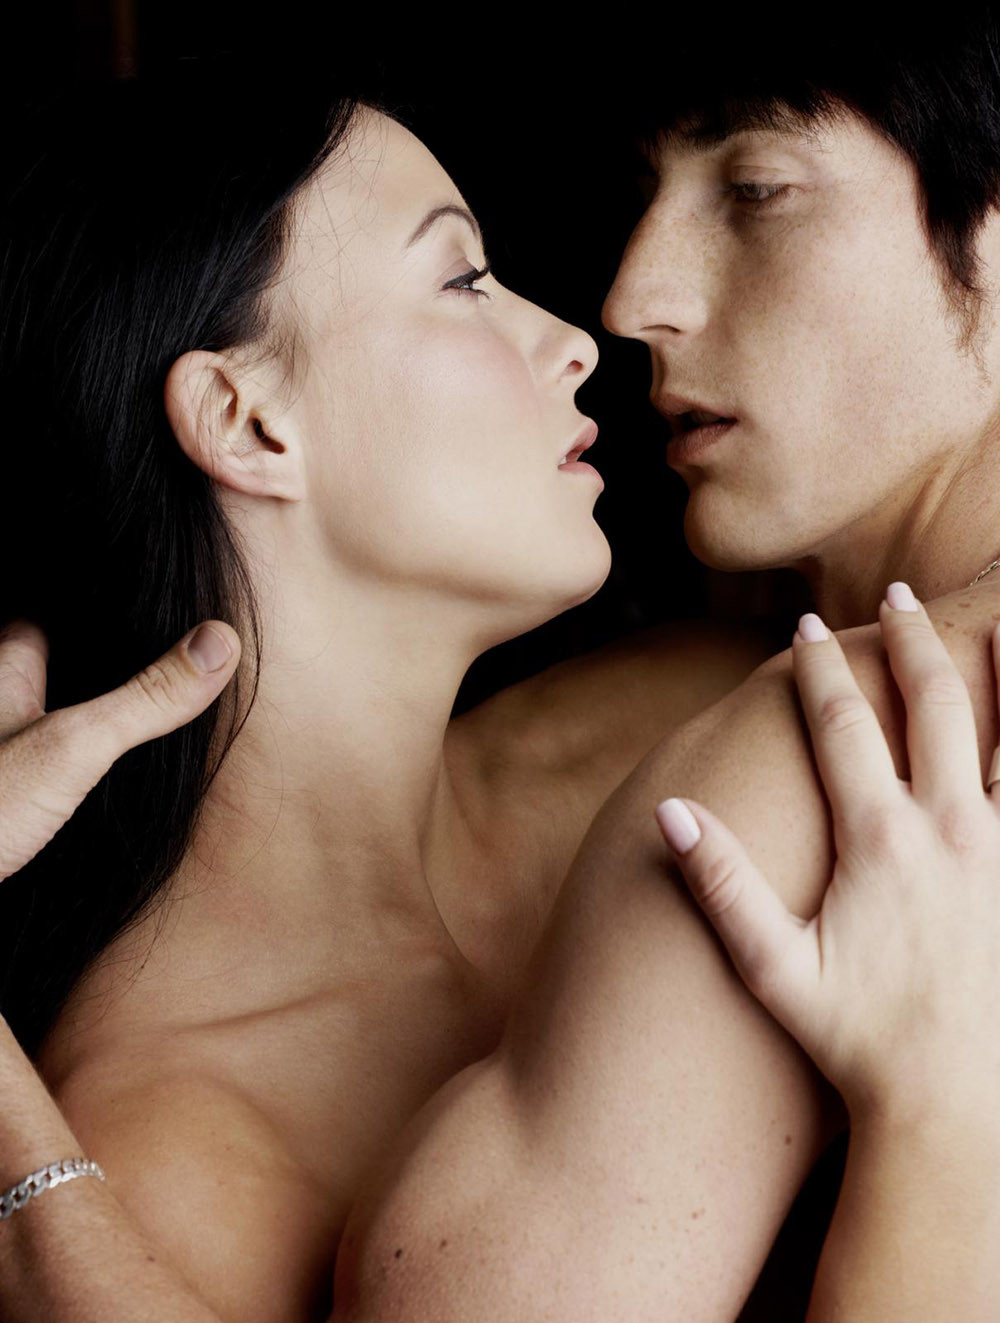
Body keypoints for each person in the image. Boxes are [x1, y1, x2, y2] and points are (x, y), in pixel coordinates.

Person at [4, 15, 1000, 1318]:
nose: (603, 322)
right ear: (249, 421)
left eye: (756, 188)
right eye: (463, 281)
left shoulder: (739, 713)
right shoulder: (181, 1148)